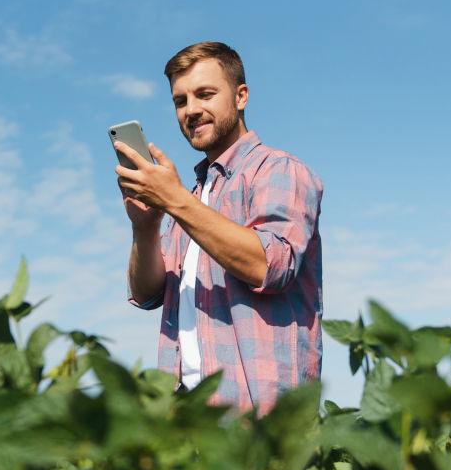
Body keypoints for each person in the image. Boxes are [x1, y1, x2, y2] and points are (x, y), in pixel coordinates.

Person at [115, 41, 323, 414]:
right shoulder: (193, 197)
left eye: (205, 94)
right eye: (180, 101)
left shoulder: (279, 170)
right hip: (187, 422)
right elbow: (147, 294)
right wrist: (145, 227)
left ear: (241, 96)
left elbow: (269, 266)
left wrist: (175, 200)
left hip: (260, 423)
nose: (191, 110)